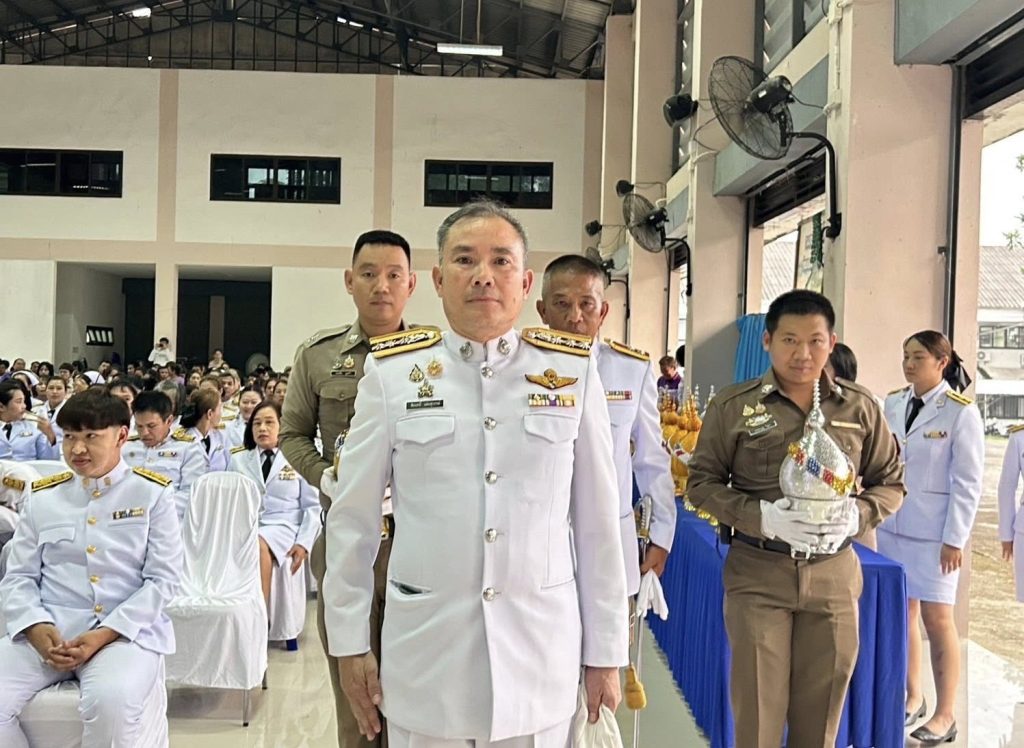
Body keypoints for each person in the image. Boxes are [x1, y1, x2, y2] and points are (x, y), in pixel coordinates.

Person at [322, 201, 627, 746]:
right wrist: (349, 643)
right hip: (428, 663)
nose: (483, 275)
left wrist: (606, 651)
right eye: (464, 260)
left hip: (540, 658)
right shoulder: (393, 374)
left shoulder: (573, 372)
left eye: (501, 261)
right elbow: (353, 520)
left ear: (525, 282)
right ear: (439, 280)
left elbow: (599, 525)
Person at [687, 289, 904, 748]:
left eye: (815, 341)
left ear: (832, 343)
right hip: (759, 574)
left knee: (820, 721)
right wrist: (761, 517)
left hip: (833, 578)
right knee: (758, 720)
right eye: (789, 340)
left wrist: (858, 515)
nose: (803, 354)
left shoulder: (860, 407)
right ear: (767, 341)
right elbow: (701, 483)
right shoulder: (734, 406)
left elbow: (891, 481)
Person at [280, 228, 418, 748]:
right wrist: (327, 478)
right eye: (368, 274)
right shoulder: (318, 356)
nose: (381, 286)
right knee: (358, 706)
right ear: (349, 280)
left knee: (416, 701)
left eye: (393, 275)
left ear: (411, 284)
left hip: (419, 545)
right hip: (345, 540)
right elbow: (292, 433)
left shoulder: (433, 358)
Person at [0, 389, 182, 746]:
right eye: (69, 437)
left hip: (123, 633)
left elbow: (163, 581)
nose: (77, 449)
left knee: (110, 703)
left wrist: (104, 634)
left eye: (91, 437)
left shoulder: (151, 494)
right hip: (51, 631)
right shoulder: (44, 496)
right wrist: (35, 625)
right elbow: (19, 576)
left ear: (121, 436)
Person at [536, 254, 675, 591]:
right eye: (561, 304)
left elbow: (651, 459)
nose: (575, 317)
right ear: (542, 311)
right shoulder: (523, 372)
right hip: (541, 543)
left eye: (586, 304)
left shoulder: (631, 369)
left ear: (603, 311)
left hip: (611, 540)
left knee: (614, 624)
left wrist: (662, 534)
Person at [879, 331, 983, 744]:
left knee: (938, 620)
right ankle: (913, 696)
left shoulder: (960, 413)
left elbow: (968, 483)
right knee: (903, 613)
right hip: (893, 528)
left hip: (935, 537)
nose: (908, 364)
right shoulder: (892, 403)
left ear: (942, 362)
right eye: (905, 356)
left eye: (918, 357)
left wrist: (955, 539)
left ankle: (945, 714)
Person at [230, 400, 319, 612]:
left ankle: (258, 614)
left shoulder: (298, 458)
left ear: (282, 425)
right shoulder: (238, 459)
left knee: (259, 543)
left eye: (269, 422)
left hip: (285, 525)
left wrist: (304, 543)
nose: (262, 428)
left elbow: (313, 507)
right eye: (257, 423)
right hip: (247, 524)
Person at [123, 391, 207, 522]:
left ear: (169, 421)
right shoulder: (126, 446)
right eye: (139, 426)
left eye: (151, 426)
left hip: (170, 520)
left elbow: (192, 493)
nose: (144, 433)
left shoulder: (188, 448)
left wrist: (151, 510)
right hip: (126, 518)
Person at [0, 382, 59, 461]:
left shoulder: (34, 426)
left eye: (24, 401)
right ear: (1, 407)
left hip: (29, 468)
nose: (24, 406)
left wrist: (50, 435)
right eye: (19, 402)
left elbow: (51, 461)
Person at [179, 389, 229, 473]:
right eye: (220, 408)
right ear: (210, 414)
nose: (221, 413)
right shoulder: (182, 440)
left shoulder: (221, 435)